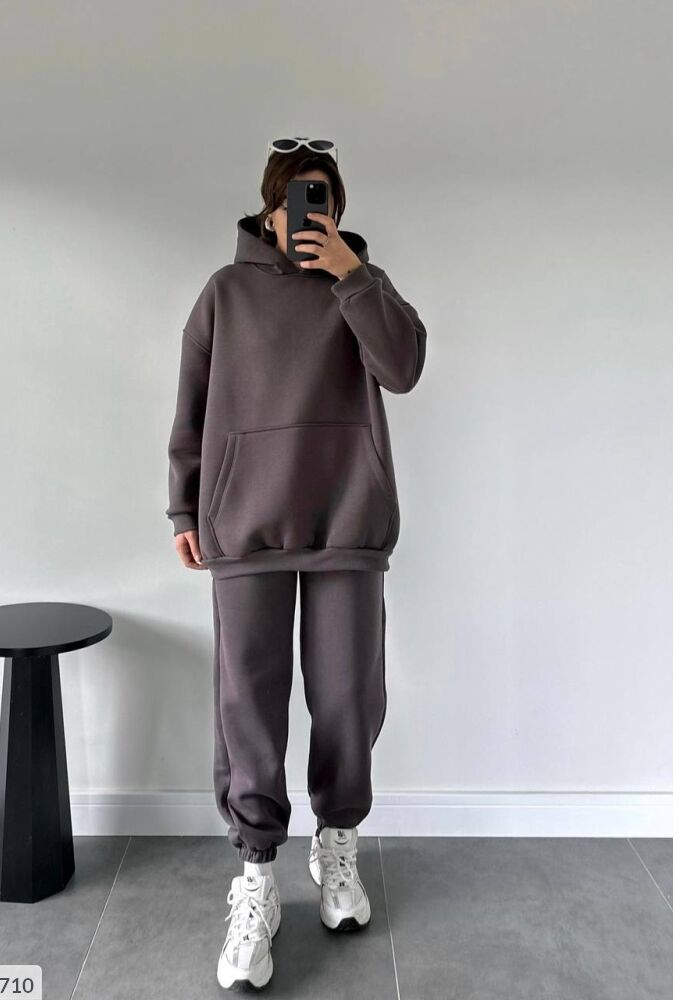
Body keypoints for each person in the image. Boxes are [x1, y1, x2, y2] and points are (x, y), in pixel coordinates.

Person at [165, 136, 427, 991]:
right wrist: (183, 507)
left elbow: (403, 368)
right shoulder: (225, 292)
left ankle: (336, 843)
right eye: (294, 201)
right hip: (244, 526)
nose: (308, 216)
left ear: (338, 213)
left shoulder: (362, 287)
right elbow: (191, 409)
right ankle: (255, 876)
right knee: (247, 701)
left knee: (348, 694)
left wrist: (352, 276)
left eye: (324, 202)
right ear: (268, 209)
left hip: (346, 518)